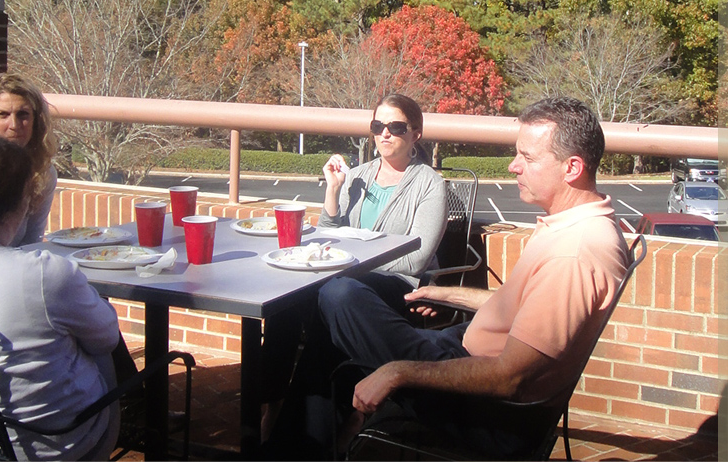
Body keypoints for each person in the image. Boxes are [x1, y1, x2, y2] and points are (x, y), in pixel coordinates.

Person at [264, 96, 629, 460]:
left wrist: (396, 372)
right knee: (333, 315)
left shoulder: (575, 252)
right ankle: (301, 448)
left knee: (337, 296)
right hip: (467, 353)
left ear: (572, 168)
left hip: (487, 410)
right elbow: (522, 307)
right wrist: (446, 294)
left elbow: (508, 378)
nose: (513, 166)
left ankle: (289, 447)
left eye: (527, 158)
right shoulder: (573, 227)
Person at [259, 94, 448, 440]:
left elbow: (416, 259)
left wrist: (352, 263)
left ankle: (305, 436)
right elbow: (326, 234)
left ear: (415, 134)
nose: (385, 134)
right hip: (343, 281)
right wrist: (333, 191)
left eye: (396, 127)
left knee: (330, 305)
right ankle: (272, 404)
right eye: (378, 126)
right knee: (285, 302)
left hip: (396, 286)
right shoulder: (357, 176)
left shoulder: (430, 185)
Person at [0, 136, 121, 460]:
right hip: (51, 446)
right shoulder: (45, 275)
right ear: (14, 207)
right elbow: (106, 339)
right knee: (98, 343)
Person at [0, 72, 58, 246]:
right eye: (3, 115)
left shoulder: (43, 173)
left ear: (36, 121)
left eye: (23, 114)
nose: (14, 125)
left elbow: (33, 239)